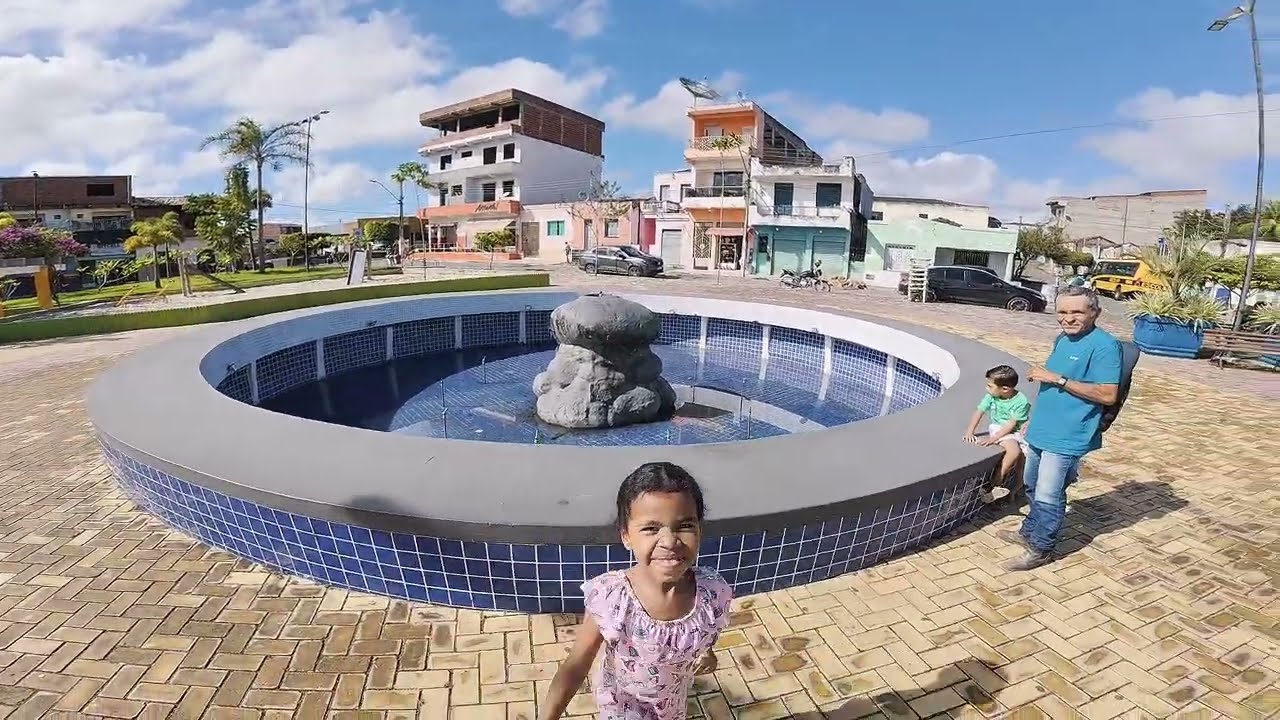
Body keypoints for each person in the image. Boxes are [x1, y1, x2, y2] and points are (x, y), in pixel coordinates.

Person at [539, 462, 732, 720]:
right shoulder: (614, 598)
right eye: (651, 529)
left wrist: (707, 651)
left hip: (672, 704)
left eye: (685, 525)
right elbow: (576, 665)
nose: (669, 541)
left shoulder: (711, 593)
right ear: (626, 536)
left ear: (700, 529)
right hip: (622, 706)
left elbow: (708, 630)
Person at [1000, 285, 1121, 572]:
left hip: (1068, 434)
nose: (1068, 318)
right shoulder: (1062, 340)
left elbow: (1107, 394)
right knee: (1031, 484)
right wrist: (1032, 419)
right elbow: (1047, 388)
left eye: (1077, 311)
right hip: (1043, 428)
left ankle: (1041, 548)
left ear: (1095, 312)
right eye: (1062, 312)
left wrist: (1057, 378)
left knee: (1049, 494)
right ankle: (1029, 531)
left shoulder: (1105, 346)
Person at [963, 365, 1030, 503]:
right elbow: (979, 411)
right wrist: (971, 431)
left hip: (1017, 430)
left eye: (990, 386)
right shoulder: (991, 396)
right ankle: (995, 484)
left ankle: (1015, 490)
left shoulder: (1021, 401)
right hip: (1000, 428)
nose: (987, 389)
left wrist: (993, 439)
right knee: (1013, 451)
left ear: (1005, 389)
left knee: (1022, 462)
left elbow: (1013, 423)